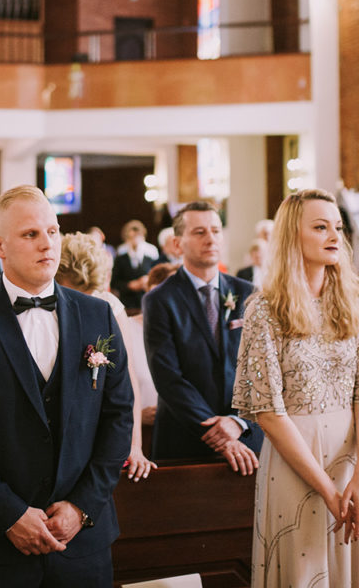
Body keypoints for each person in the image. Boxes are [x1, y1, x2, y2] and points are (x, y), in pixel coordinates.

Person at [0, 186, 133, 587]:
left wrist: (81, 507)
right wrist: (9, 514)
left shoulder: (98, 316)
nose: (47, 244)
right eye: (30, 234)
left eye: (52, 232)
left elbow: (118, 416)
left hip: (82, 542)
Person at [233, 189, 359, 586]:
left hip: (351, 458)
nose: (334, 235)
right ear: (291, 237)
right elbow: (267, 412)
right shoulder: (266, 310)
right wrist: (328, 492)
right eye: (320, 227)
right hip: (296, 460)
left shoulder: (351, 305)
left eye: (337, 227)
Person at [143, 200, 261, 471]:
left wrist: (237, 422)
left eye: (216, 231)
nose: (210, 239)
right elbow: (168, 377)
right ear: (177, 243)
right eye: (199, 232)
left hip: (246, 436)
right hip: (184, 437)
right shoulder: (160, 300)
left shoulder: (249, 293)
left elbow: (262, 369)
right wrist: (219, 434)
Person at [56, 232, 156, 481]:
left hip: (99, 418)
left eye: (88, 293)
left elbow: (129, 378)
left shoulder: (109, 306)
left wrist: (135, 446)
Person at [111, 220, 158, 310]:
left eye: (137, 236)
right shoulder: (121, 257)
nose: (134, 240)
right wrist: (130, 285)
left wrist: (147, 281)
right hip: (127, 303)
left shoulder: (150, 255)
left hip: (147, 301)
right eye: (131, 237)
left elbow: (157, 277)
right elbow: (114, 282)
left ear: (143, 237)